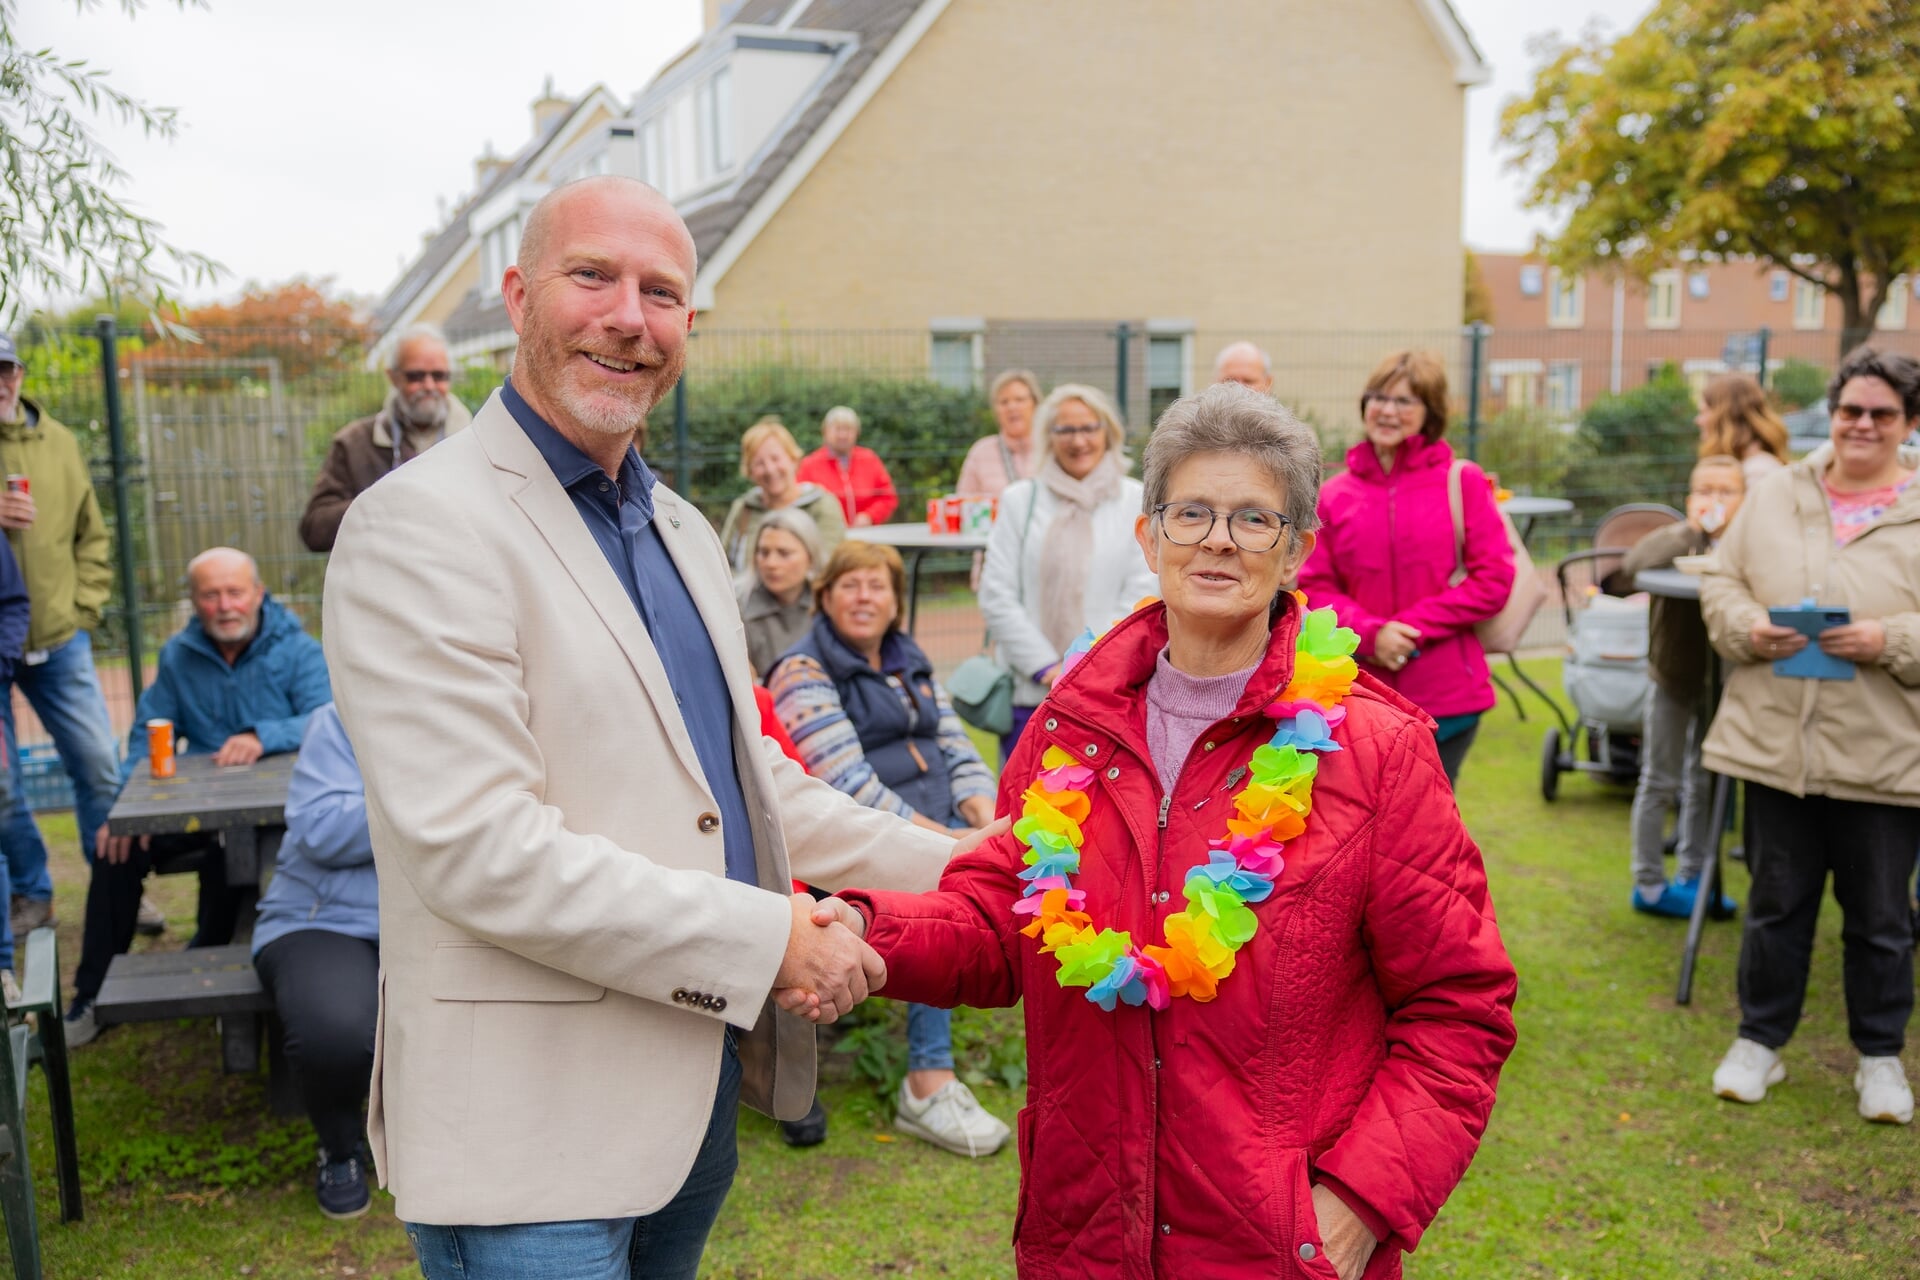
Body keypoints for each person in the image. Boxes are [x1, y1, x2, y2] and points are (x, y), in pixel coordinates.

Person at [322, 175, 975, 1280]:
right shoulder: (417, 526)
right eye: (594, 276)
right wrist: (774, 940)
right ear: (519, 294)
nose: (630, 315)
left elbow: (748, 778)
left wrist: (972, 859)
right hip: (530, 1142)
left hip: (686, 1099)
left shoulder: (674, 525)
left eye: (663, 292)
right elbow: (483, 850)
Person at [809, 383, 1517, 1278]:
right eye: (1192, 512)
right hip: (1084, 1233)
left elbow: (1459, 1011)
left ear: (1298, 550)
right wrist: (871, 931)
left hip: (1276, 1249)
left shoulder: (1378, 750)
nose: (1218, 539)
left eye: (1254, 519)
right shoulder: (1071, 722)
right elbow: (1001, 919)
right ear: (1149, 537)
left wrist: (1359, 1205)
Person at [1701, 347, 1920, 1126]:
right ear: (1833, 413)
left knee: (1882, 918)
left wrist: (1891, 639)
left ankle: (1881, 1057)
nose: (1862, 425)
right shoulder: (1777, 494)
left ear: (1908, 424)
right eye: (1850, 410)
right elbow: (1721, 579)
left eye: (1881, 414)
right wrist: (1745, 627)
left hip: (1883, 753)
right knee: (1776, 905)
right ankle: (1759, 1042)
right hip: (1775, 747)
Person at [768, 541, 1007, 1158]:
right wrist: (955, 844)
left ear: (897, 601)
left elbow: (955, 745)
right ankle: (929, 1080)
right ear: (824, 597)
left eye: (878, 586)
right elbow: (849, 786)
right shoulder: (803, 671)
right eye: (850, 585)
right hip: (868, 841)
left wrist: (984, 815)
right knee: (943, 896)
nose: (865, 598)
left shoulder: (909, 658)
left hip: (943, 825)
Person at [67, 547, 332, 1045]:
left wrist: (263, 734)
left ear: (258, 594)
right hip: (200, 812)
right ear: (194, 601)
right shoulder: (178, 655)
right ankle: (91, 995)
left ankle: (229, 973)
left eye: (235, 592)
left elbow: (328, 717)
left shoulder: (299, 650)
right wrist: (126, 808)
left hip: (279, 817)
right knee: (115, 849)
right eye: (211, 595)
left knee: (242, 868)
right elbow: (148, 732)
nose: (225, 605)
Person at [1298, 350, 1515, 787]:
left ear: (1429, 414)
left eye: (1404, 401)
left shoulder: (1463, 481)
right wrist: (1374, 635)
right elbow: (1316, 585)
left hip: (1448, 695)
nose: (1387, 410)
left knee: (1431, 830)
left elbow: (1493, 579)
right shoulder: (1334, 494)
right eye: (1378, 397)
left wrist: (1408, 629)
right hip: (1361, 690)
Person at [0, 330, 127, 942]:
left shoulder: (60, 442)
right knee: (2, 783)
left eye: (5, 369)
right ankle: (32, 894)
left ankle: (116, 890)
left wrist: (84, 608)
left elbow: (92, 534)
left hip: (58, 638)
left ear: (19, 374)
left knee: (100, 766)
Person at [978, 383, 1157, 759]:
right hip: (1030, 693)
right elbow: (997, 594)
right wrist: (1047, 669)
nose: (1079, 441)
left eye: (1089, 428)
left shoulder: (1134, 501)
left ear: (1107, 431)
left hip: (1109, 694)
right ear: (1048, 436)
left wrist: (1083, 669)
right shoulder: (1019, 501)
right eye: (1066, 430)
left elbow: (1142, 596)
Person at [251, 703, 380, 1219]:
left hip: (451, 918)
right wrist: (425, 796)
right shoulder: (344, 716)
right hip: (327, 918)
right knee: (337, 1032)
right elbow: (321, 830)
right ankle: (341, 1147)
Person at [1616, 456, 1746, 919]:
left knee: (1705, 777)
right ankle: (1649, 882)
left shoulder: (1747, 543)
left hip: (1721, 679)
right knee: (1659, 777)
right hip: (1673, 674)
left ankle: (1696, 876)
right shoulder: (1676, 539)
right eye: (1705, 490)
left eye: (1726, 491)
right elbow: (1633, 564)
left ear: (1744, 499)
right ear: (1690, 499)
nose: (1714, 500)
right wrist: (1688, 530)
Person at [300, 324, 473, 553]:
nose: (429, 386)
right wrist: (384, 503)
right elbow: (315, 530)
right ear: (393, 377)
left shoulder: (477, 441)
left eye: (439, 376)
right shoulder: (354, 443)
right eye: (416, 376)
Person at [717, 416, 846, 573]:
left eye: (776, 459)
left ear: (793, 459)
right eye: (759, 463)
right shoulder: (744, 508)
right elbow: (723, 565)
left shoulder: (821, 505)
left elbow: (828, 567)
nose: (770, 470)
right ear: (749, 471)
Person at [737, 507, 821, 679]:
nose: (771, 563)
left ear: (810, 557)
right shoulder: (737, 605)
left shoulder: (828, 604)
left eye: (784, 553)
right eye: (764, 552)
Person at [795, 406, 897, 528]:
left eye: (848, 429)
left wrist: (870, 516)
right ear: (825, 432)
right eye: (837, 429)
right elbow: (799, 501)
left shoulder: (869, 459)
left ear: (856, 433)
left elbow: (888, 497)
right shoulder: (810, 464)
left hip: (866, 535)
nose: (842, 435)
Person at [957, 370, 1044, 498]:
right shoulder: (981, 452)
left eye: (1019, 400)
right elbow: (964, 503)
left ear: (1035, 404)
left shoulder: (1052, 449)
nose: (1012, 407)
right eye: (1004, 402)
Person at [1695, 371, 1790, 486]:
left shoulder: (1757, 473)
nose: (1698, 421)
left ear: (1725, 417)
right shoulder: (1744, 465)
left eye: (1704, 412)